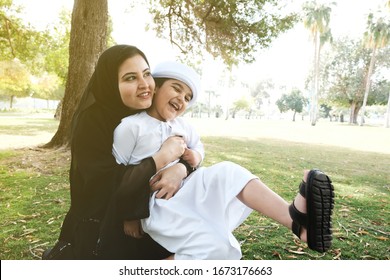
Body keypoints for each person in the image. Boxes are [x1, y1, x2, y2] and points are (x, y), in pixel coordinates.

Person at [112, 61, 335, 260]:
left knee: (229, 171)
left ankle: (296, 221)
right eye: (176, 89)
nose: (182, 99)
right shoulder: (131, 127)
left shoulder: (184, 127)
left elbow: (199, 148)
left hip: (188, 185)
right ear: (156, 88)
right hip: (157, 203)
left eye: (188, 97)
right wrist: (130, 215)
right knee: (223, 249)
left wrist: (191, 159)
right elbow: (116, 177)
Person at [42, 45, 189, 260]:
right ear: (111, 83)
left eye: (147, 74)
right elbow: (104, 183)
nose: (144, 85)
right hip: (103, 224)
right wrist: (160, 159)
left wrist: (181, 168)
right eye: (130, 78)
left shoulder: (147, 113)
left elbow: (186, 148)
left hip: (152, 217)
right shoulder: (92, 121)